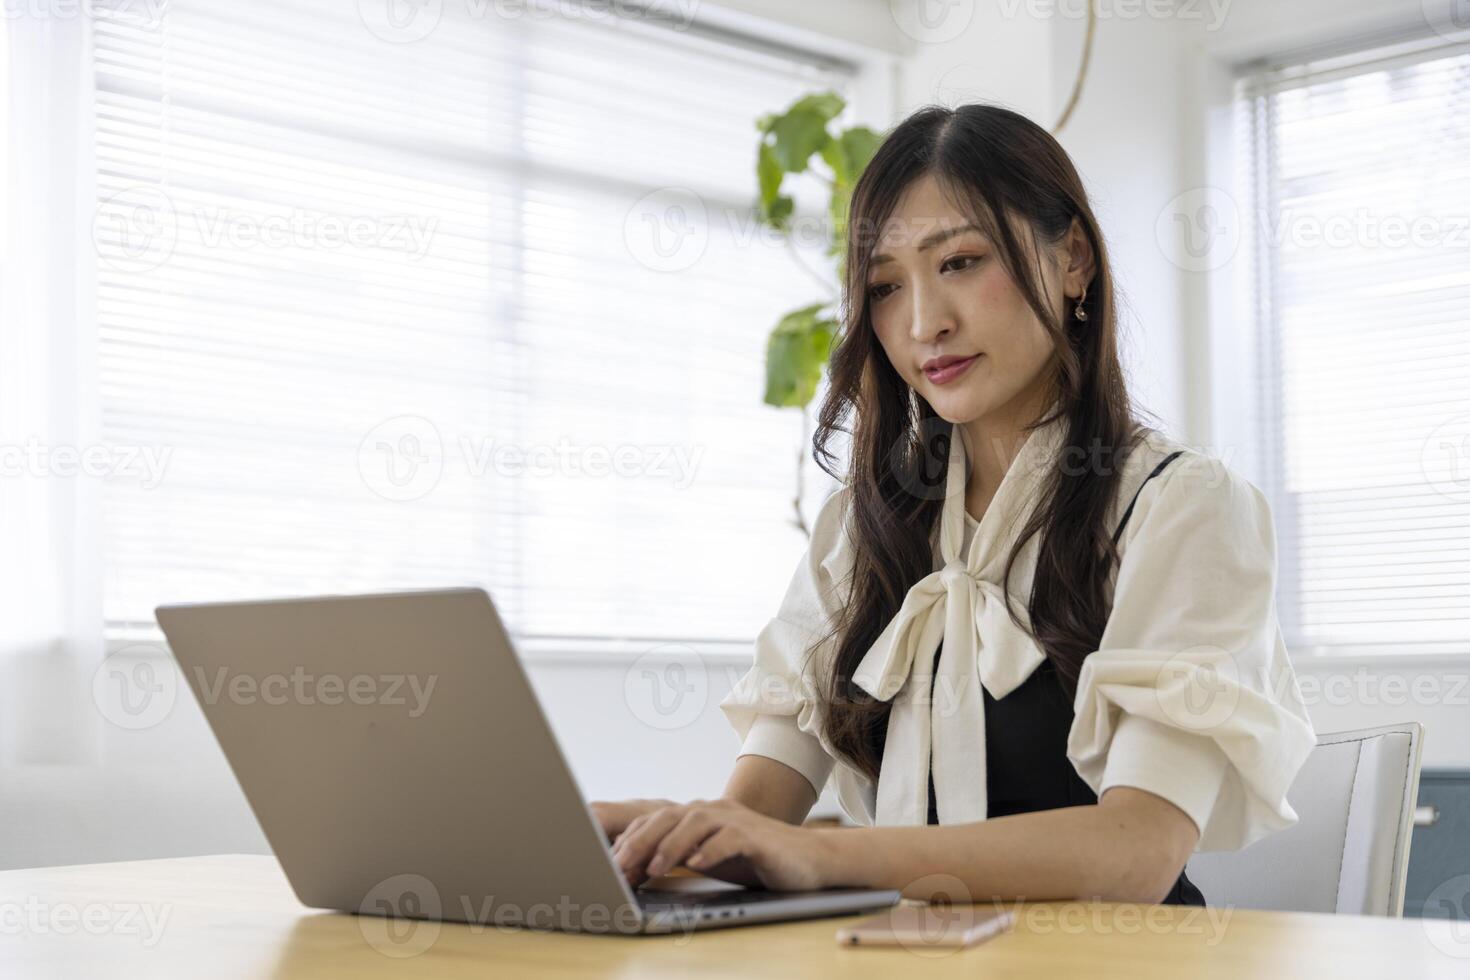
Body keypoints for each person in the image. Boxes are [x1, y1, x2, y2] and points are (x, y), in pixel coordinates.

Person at [591, 103, 1316, 906]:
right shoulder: (860, 528)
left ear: (1074, 258)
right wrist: (653, 837)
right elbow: (756, 817)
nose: (924, 323)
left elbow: (1136, 852)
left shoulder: (1179, 506)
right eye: (885, 286)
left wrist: (824, 856)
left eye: (962, 261)